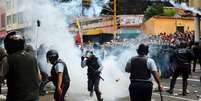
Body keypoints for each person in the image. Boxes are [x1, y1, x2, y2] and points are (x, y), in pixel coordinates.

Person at [4, 31, 40, 101]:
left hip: (16, 97)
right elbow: (39, 78)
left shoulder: (7, 60)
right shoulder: (33, 58)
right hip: (34, 97)